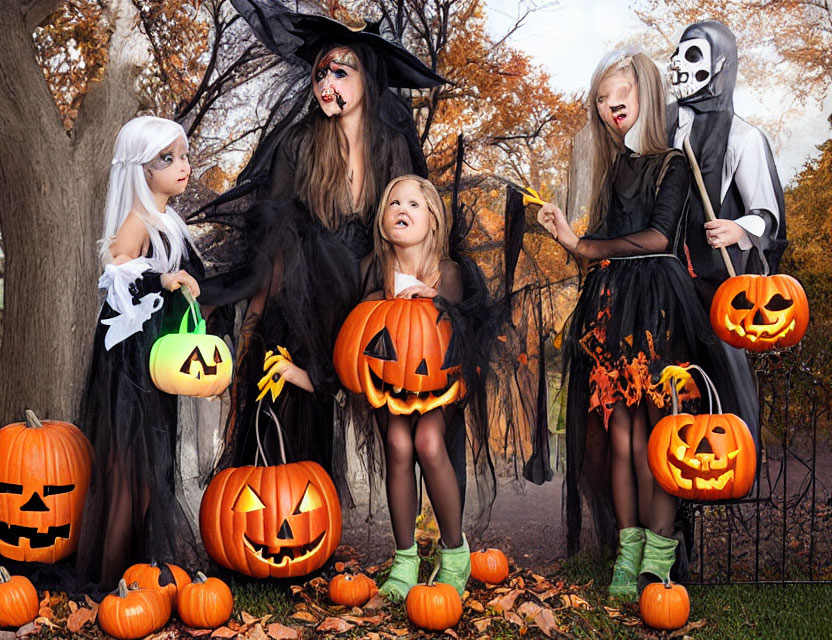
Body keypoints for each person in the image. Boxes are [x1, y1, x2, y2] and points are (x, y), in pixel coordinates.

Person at [194, 1, 444, 487]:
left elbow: (413, 216)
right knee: (286, 388)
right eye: (319, 75)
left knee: (401, 409)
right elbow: (273, 228)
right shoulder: (301, 143)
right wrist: (250, 308)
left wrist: (416, 284)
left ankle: (420, 542)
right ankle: (271, 515)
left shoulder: (391, 144)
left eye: (340, 73)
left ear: (366, 79)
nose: (326, 84)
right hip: (305, 291)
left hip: (369, 287)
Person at [536, 51, 720, 598]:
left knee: (660, 434)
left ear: (645, 92)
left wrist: (584, 245)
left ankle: (658, 558)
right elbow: (600, 245)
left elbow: (660, 237)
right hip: (613, 307)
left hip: (658, 307)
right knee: (621, 437)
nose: (611, 104)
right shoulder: (614, 167)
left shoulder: (673, 162)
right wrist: (570, 238)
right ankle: (626, 551)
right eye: (601, 98)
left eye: (621, 94)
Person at [76, 116, 204, 588]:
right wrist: (162, 278)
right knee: (129, 467)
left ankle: (143, 569)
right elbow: (117, 273)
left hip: (157, 358)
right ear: (141, 171)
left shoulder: (170, 221)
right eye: (167, 159)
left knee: (155, 465)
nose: (182, 166)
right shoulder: (137, 220)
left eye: (184, 156)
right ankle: (112, 582)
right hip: (130, 363)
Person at [667, 20, 786, 449]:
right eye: (678, 53)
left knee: (720, 376)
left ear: (721, 65)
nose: (679, 64)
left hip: (713, 286)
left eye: (693, 55)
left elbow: (767, 213)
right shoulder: (663, 130)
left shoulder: (743, 137)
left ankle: (730, 456)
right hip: (664, 281)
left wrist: (737, 228)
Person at [357, 175, 472, 600]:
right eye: (394, 203)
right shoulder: (374, 269)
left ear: (433, 221)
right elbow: (360, 331)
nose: (402, 209)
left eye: (413, 204)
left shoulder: (447, 272)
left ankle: (456, 551)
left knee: (426, 441)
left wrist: (434, 301)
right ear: (383, 220)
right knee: (398, 444)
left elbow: (460, 331)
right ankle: (405, 558)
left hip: (439, 381)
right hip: (392, 383)